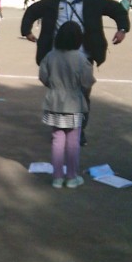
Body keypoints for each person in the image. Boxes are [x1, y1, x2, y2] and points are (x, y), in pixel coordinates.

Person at [21, 0, 130, 146]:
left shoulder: (93, 1)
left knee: (83, 95)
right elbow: (32, 11)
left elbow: (117, 9)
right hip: (57, 55)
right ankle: (59, 129)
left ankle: (79, 130)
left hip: (83, 56)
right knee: (58, 92)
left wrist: (122, 29)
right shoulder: (52, 2)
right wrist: (26, 31)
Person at [39, 21, 96, 189]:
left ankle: (57, 177)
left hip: (54, 101)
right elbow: (87, 81)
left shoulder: (50, 56)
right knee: (73, 141)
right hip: (73, 102)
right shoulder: (81, 58)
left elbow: (43, 76)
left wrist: (53, 86)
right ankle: (71, 176)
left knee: (57, 139)